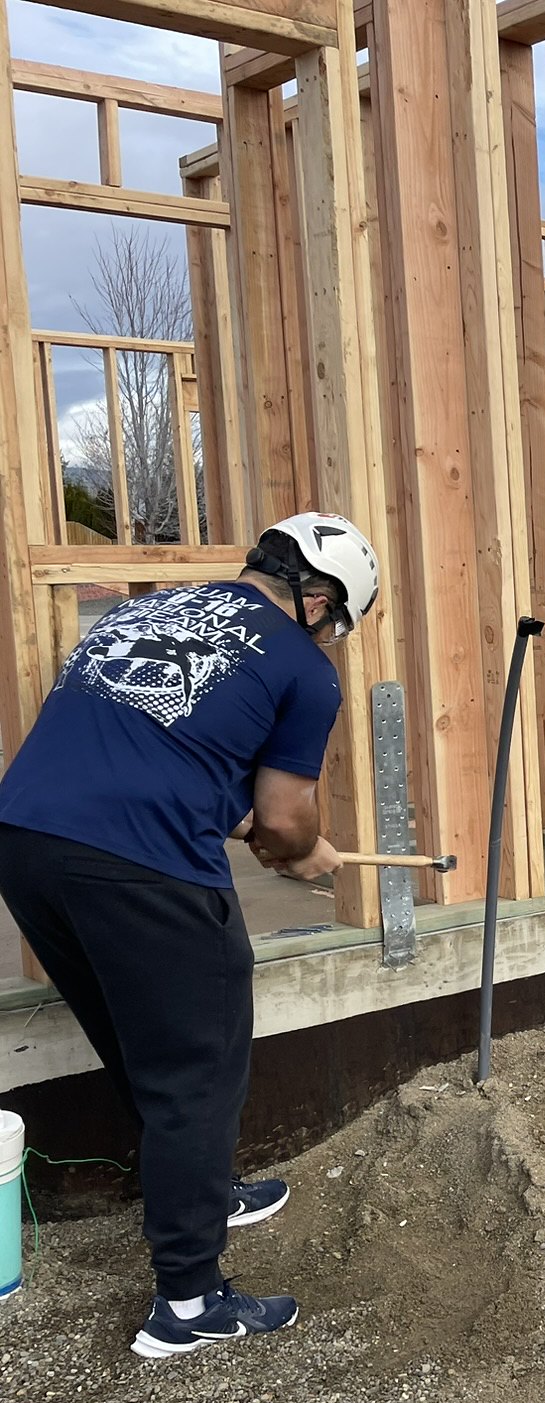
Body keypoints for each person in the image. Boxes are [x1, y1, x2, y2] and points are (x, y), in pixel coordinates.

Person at [0, 512, 379, 1359]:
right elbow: (285, 821)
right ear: (316, 601)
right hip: (140, 864)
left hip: (24, 844)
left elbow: (157, 743)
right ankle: (187, 1301)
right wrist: (301, 851)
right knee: (198, 1068)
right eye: (339, 621)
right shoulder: (303, 669)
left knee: (148, 1049)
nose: (333, 637)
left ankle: (206, 1190)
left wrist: (233, 811)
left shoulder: (143, 612)